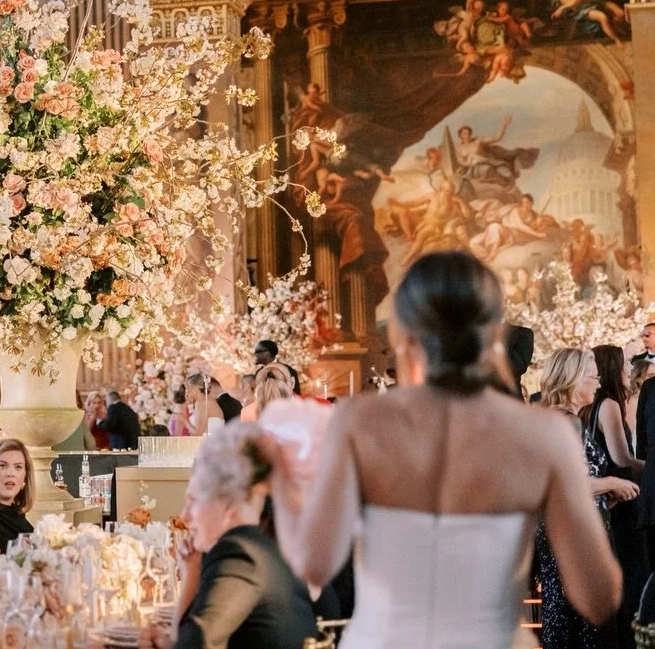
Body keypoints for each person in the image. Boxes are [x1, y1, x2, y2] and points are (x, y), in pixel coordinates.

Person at [269, 252, 622, 649]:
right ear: (494, 332)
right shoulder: (544, 435)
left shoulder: (360, 422)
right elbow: (598, 597)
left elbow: (312, 565)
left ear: (402, 333)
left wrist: (280, 476)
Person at [146, 424, 317, 649]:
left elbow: (198, 641)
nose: (184, 515)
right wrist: (191, 572)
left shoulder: (240, 555)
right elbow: (190, 637)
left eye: (194, 501)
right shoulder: (265, 548)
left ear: (226, 505)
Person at [538, 348, 637, 648]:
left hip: (565, 528)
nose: (597, 384)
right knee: (586, 623)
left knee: (566, 615)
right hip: (576, 536)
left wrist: (604, 498)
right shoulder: (568, 421)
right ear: (572, 380)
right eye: (592, 378)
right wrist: (609, 481)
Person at [585, 344, 647, 640]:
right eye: (622, 366)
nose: (626, 372)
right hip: (619, 497)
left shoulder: (591, 405)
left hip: (607, 499)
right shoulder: (608, 404)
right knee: (632, 571)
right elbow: (621, 458)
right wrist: (650, 467)